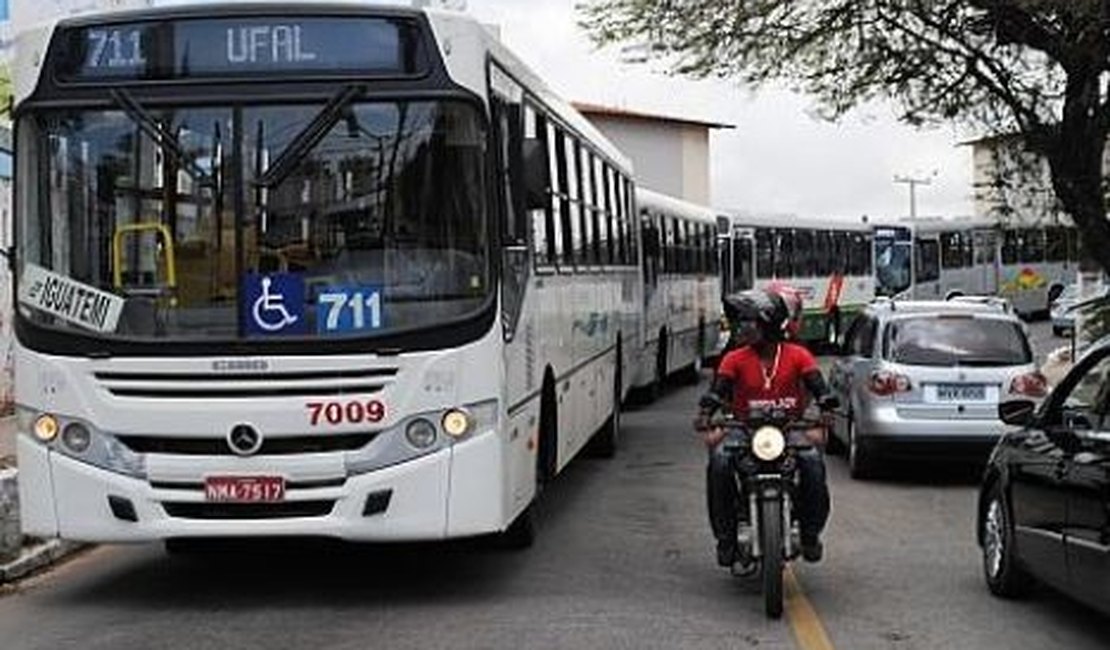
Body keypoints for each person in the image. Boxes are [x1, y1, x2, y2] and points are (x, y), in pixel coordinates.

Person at [694, 288, 836, 572]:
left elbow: (818, 386)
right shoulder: (734, 358)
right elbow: (717, 391)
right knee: (720, 463)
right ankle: (726, 539)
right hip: (743, 428)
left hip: (790, 428)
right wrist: (706, 413)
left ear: (769, 324)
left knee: (812, 465)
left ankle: (810, 535)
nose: (743, 329)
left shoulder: (798, 355)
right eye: (742, 323)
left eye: (750, 322)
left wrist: (826, 406)